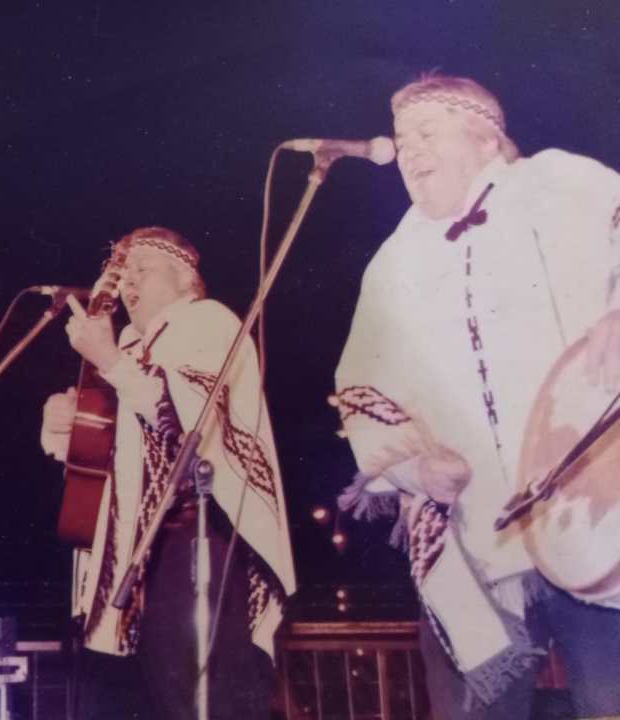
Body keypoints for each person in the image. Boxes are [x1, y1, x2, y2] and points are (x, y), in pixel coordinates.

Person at [334, 72, 620, 719]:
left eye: (426, 132)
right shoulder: (394, 263)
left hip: (599, 514)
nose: (408, 151)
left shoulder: (557, 182)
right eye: (402, 138)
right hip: (475, 538)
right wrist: (414, 468)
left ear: (487, 139)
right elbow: (361, 390)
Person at [40, 226, 296, 720]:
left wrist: (110, 360)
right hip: (132, 559)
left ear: (186, 279)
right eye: (124, 274)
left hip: (197, 540)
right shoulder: (130, 347)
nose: (129, 282)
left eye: (143, 269)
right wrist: (63, 427)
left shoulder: (207, 320)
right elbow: (109, 456)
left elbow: (191, 425)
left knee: (204, 698)